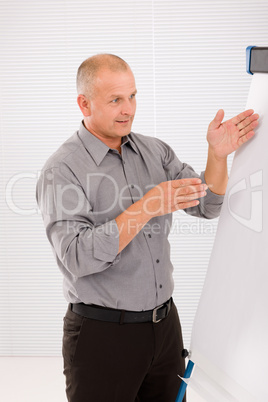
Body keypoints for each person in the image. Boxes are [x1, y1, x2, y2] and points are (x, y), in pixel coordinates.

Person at [36, 54, 259, 402]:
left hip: (165, 329)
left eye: (133, 96)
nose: (129, 109)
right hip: (102, 336)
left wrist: (217, 156)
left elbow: (207, 203)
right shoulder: (62, 171)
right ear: (85, 103)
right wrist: (147, 207)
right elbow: (76, 258)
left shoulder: (155, 152)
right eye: (116, 100)